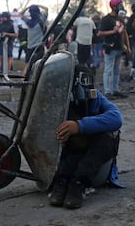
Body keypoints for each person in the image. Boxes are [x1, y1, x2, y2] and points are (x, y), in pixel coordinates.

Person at [49, 65, 122, 209]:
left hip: (93, 169)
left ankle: (78, 184)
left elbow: (116, 118)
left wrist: (80, 126)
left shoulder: (96, 98)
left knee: (107, 137)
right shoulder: (59, 102)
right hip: (66, 163)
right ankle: (62, 181)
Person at [97, 0, 129, 99]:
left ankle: (115, 89)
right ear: (114, 6)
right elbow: (100, 33)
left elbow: (124, 33)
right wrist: (113, 31)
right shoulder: (106, 19)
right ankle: (107, 91)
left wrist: (127, 46)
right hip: (110, 47)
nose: (122, 6)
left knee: (116, 70)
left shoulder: (120, 18)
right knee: (108, 70)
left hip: (119, 47)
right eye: (120, 4)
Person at [22, 4, 48, 76]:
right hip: (39, 46)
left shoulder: (28, 22)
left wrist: (28, 7)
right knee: (39, 64)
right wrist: (38, 5)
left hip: (29, 46)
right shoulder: (41, 20)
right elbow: (46, 9)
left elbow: (20, 14)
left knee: (27, 64)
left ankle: (23, 80)